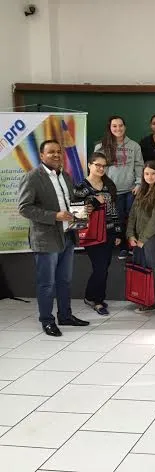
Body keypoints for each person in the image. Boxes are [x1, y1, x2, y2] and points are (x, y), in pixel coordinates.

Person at [18, 140, 90, 336]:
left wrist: (83, 209)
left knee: (64, 281)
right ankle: (47, 321)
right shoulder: (33, 177)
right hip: (46, 238)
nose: (57, 155)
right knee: (47, 283)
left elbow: (71, 202)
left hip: (68, 235)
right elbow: (24, 208)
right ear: (42, 155)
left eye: (59, 151)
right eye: (51, 152)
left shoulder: (65, 176)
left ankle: (65, 316)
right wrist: (54, 216)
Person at [74, 152, 122, 316]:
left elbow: (113, 210)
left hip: (108, 232)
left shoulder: (109, 185)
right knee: (100, 268)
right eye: (97, 165)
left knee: (104, 267)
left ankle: (91, 296)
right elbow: (77, 214)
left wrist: (117, 232)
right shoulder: (81, 187)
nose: (101, 168)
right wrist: (95, 201)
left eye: (104, 166)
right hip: (92, 234)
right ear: (89, 165)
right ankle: (97, 301)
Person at [95, 115, 143, 259]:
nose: (118, 128)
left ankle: (134, 246)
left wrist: (139, 183)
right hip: (112, 190)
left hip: (131, 189)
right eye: (114, 126)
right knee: (118, 219)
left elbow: (139, 165)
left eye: (120, 125)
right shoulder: (101, 147)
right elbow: (96, 169)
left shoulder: (134, 146)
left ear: (125, 127)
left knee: (134, 218)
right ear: (110, 128)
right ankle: (123, 247)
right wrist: (99, 188)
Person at [127, 160, 155, 314]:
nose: (150, 176)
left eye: (153, 173)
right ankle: (142, 297)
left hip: (150, 237)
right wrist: (130, 234)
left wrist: (143, 239)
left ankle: (152, 300)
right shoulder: (141, 191)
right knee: (140, 266)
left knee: (150, 266)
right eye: (147, 174)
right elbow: (132, 215)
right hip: (137, 237)